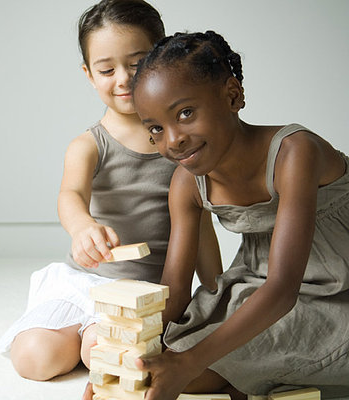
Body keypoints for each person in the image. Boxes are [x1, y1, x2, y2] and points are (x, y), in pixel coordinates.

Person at [0, 0, 222, 384]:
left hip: (145, 294)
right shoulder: (89, 145)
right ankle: (81, 332)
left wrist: (218, 290)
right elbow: (70, 195)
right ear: (88, 74)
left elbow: (199, 226)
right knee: (33, 359)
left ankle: (91, 340)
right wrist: (82, 226)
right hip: (86, 283)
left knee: (109, 350)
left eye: (136, 64)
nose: (123, 79)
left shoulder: (184, 145)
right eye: (106, 69)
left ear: (161, 59)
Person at [130, 30, 349, 399]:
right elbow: (176, 289)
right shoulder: (186, 183)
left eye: (185, 113)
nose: (173, 140)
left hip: (330, 288)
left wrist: (188, 364)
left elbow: (283, 290)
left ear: (232, 95)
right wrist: (125, 365)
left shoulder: (294, 153)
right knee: (171, 357)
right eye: (156, 128)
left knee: (195, 365)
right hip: (256, 285)